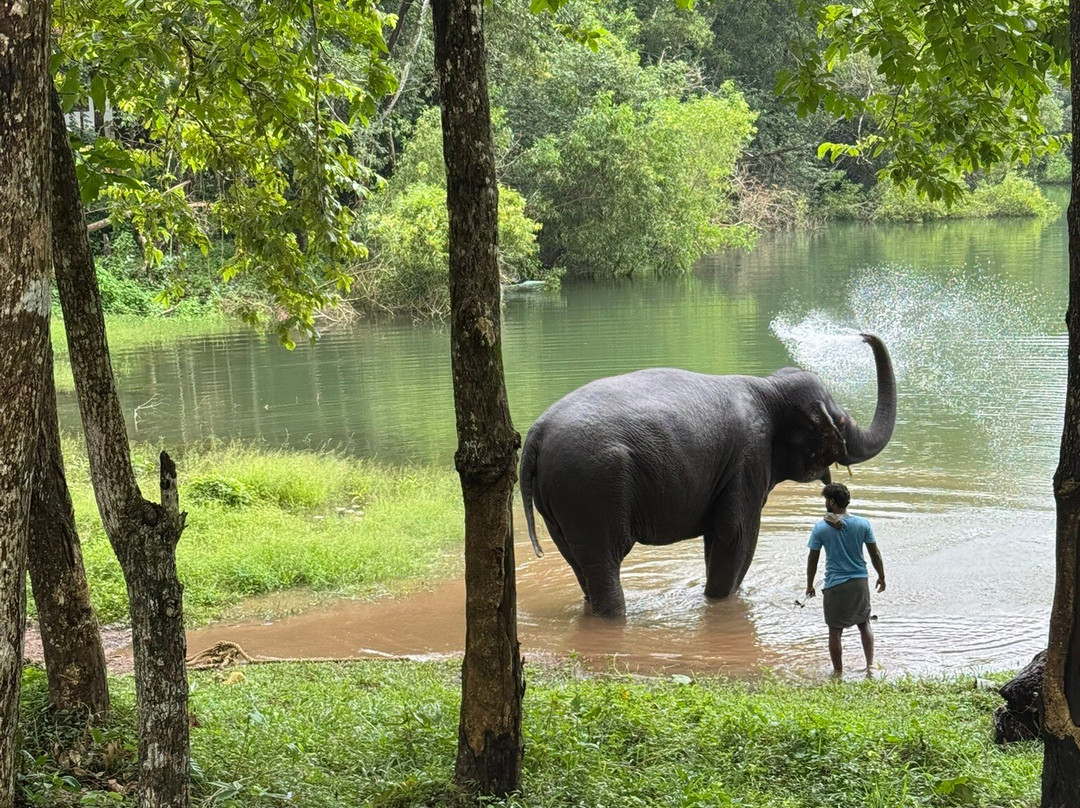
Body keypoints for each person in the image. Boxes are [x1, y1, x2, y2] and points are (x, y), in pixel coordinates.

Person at [805, 482, 885, 677]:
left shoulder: (820, 528)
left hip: (835, 585)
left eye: (826, 500)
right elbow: (874, 553)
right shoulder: (863, 524)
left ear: (832, 502)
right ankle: (870, 666)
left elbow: (812, 559)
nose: (825, 503)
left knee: (835, 631)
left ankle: (838, 672)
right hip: (859, 582)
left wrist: (809, 585)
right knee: (864, 624)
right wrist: (881, 575)